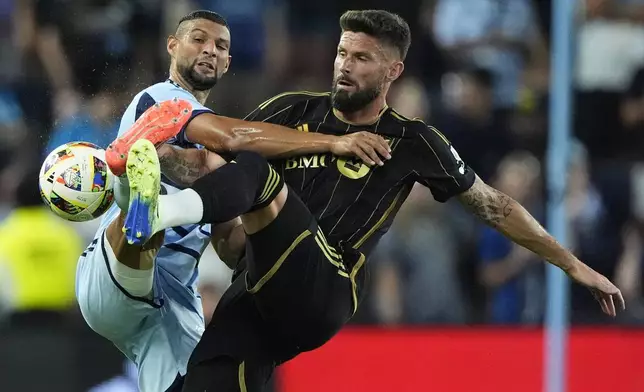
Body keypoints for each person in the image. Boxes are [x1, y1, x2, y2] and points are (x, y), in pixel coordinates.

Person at [109, 10, 625, 392]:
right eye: (340, 53)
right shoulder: (292, 110)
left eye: (361, 58)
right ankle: (155, 201)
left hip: (324, 286)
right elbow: (214, 155)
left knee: (257, 174)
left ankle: (159, 214)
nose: (344, 66)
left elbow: (495, 206)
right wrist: (151, 148)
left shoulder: (412, 140)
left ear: (393, 72)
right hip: (259, 292)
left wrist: (574, 265)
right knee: (203, 383)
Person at [76, 10, 390, 392]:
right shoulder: (161, 98)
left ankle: (146, 204)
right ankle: (138, 202)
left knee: (202, 383)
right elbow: (234, 137)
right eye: (198, 39)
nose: (209, 49)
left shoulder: (216, 171)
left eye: (220, 46)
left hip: (169, 305)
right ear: (172, 46)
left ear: (227, 63)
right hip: (117, 275)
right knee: (156, 213)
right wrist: (335, 141)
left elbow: (228, 245)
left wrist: (290, 243)